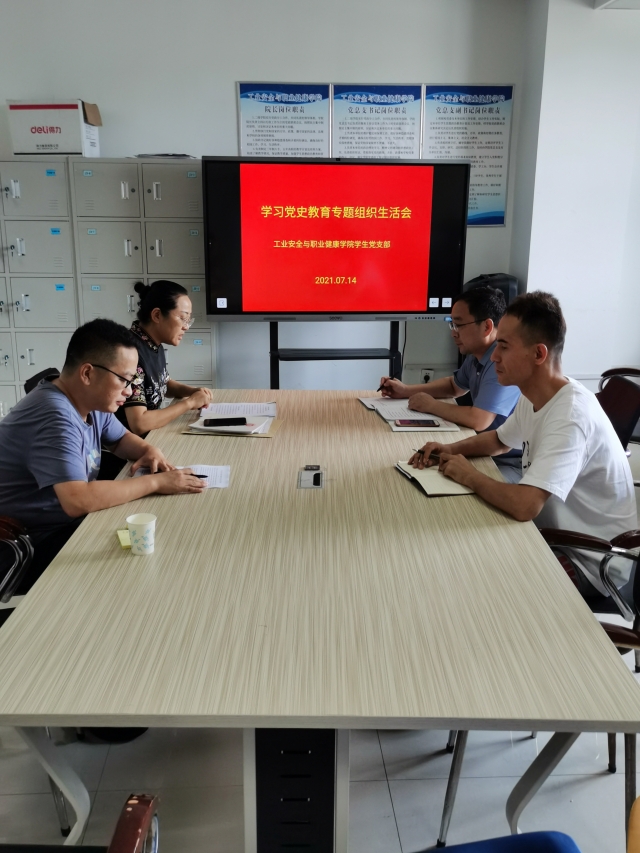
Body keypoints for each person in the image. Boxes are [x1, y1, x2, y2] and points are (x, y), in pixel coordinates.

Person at [409, 291, 636, 601]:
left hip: (594, 565)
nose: (494, 357)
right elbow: (499, 440)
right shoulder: (536, 394)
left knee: (474, 583)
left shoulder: (571, 416)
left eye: (503, 346)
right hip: (554, 537)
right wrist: (451, 449)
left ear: (538, 354)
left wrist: (469, 475)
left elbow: (524, 505)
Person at [0, 318, 206, 596]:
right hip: (29, 544)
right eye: (123, 379)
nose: (130, 391)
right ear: (87, 373)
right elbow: (78, 500)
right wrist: (156, 482)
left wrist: (149, 451)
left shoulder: (87, 400)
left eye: (133, 381)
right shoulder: (55, 416)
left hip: (59, 524)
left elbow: (120, 439)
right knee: (140, 572)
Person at [379, 285, 520, 432]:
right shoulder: (477, 354)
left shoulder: (502, 361)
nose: (453, 333)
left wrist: (431, 405)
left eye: (459, 325)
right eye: (452, 324)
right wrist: (405, 390)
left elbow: (479, 420)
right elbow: (454, 386)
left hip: (499, 446)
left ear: (486, 327)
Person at [117, 280, 213, 436]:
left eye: (188, 320)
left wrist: (192, 391)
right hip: (130, 444)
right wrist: (189, 403)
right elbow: (139, 423)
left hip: (153, 435)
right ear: (157, 315)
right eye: (183, 318)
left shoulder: (153, 344)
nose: (186, 327)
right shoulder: (130, 353)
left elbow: (164, 384)